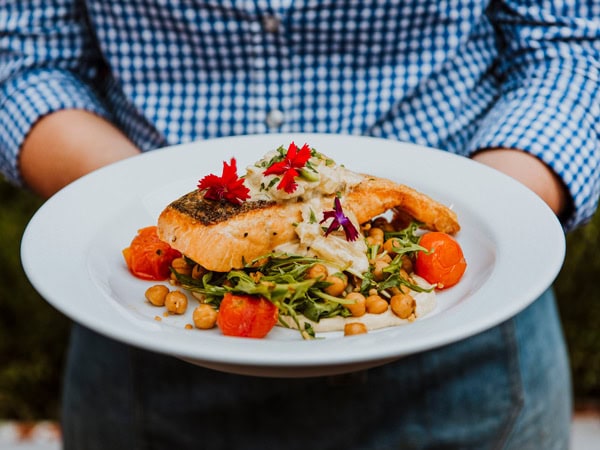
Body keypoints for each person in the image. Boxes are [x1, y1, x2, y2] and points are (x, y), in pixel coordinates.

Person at [1, 1, 598, 449]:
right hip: (140, 368)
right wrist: (125, 195)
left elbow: (571, 49)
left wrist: (493, 205)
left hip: (469, 366)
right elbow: (25, 63)